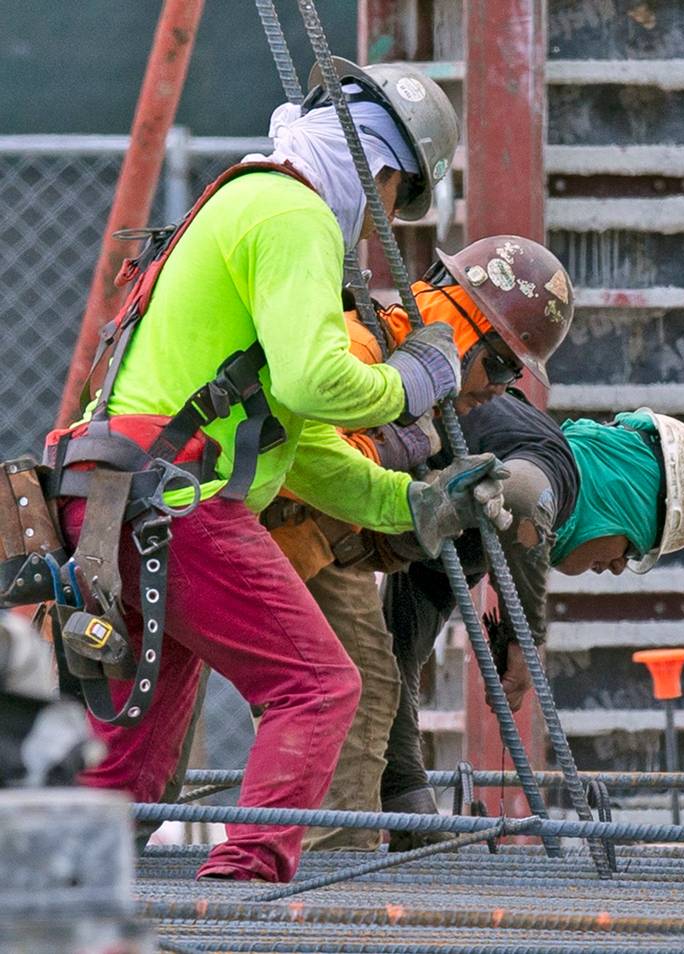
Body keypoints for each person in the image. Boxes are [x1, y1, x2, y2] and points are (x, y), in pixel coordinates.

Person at [43, 57, 503, 883]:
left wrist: (416, 503)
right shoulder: (295, 213)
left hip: (116, 493)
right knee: (320, 686)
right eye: (395, 201)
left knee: (133, 760)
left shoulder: (249, 200)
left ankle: (63, 893)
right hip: (174, 499)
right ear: (384, 169)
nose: (381, 225)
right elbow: (313, 382)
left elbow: (306, 448)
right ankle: (244, 888)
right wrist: (416, 381)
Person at [260, 234, 576, 851]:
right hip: (226, 527)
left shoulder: (430, 401)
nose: (503, 389)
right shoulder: (357, 349)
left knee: (365, 684)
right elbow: (300, 458)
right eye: (503, 366)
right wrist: (414, 490)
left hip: (312, 547)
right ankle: (311, 892)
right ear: (462, 330)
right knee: (325, 693)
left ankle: (333, 881)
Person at [379, 400, 684, 850]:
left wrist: (414, 815)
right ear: (620, 500)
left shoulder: (468, 548)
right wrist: (527, 640)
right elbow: (525, 501)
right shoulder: (554, 461)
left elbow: (388, 665)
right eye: (633, 547)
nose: (619, 566)